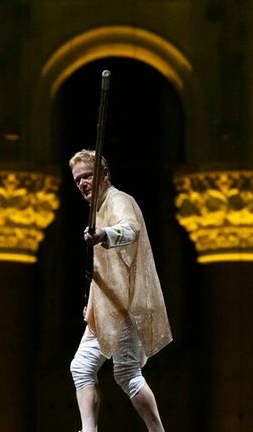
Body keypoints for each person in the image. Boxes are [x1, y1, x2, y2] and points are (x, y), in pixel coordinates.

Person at [68, 149, 172, 432]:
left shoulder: (118, 200)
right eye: (77, 180)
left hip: (126, 304)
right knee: (81, 368)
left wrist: (104, 235)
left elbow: (130, 230)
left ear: (105, 175)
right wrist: (91, 305)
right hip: (105, 306)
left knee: (127, 373)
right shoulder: (98, 210)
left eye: (87, 176)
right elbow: (102, 272)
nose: (82, 184)